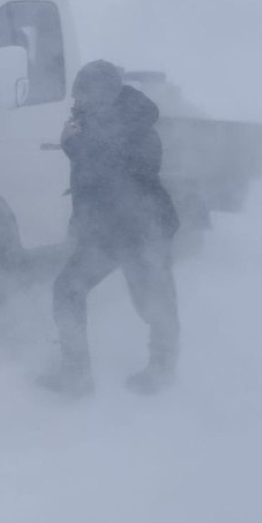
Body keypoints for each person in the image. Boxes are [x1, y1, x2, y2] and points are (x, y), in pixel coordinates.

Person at [38, 60, 180, 397]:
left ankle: (162, 369)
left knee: (153, 302)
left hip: (143, 230)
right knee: (67, 290)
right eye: (77, 96)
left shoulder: (138, 124)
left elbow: (123, 172)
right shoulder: (91, 122)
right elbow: (91, 180)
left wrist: (73, 146)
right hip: (105, 232)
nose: (77, 103)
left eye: (84, 96)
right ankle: (76, 375)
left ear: (106, 95)